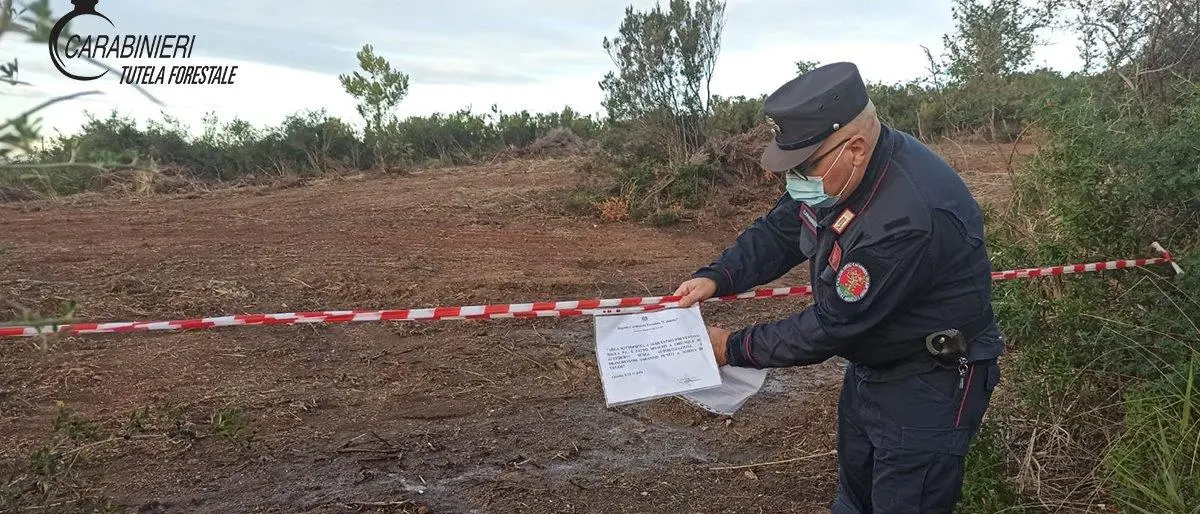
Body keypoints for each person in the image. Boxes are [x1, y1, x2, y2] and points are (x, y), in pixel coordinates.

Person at [673, 62, 1004, 513]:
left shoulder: (905, 219)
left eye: (804, 166)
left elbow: (831, 326)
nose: (792, 181)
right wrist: (719, 276)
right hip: (872, 367)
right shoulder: (835, 179)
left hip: (930, 380)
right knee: (854, 499)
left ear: (855, 147)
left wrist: (730, 347)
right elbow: (781, 231)